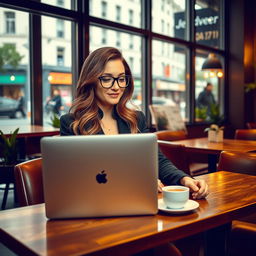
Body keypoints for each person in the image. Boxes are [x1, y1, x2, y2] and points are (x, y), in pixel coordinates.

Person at [60, 47, 209, 255]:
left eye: (122, 79)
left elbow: (156, 159)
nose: (116, 86)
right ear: (91, 80)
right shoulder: (72, 123)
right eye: (107, 79)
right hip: (96, 218)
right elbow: (75, 180)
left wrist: (185, 180)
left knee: (193, 232)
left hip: (139, 214)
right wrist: (138, 181)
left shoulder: (135, 119)